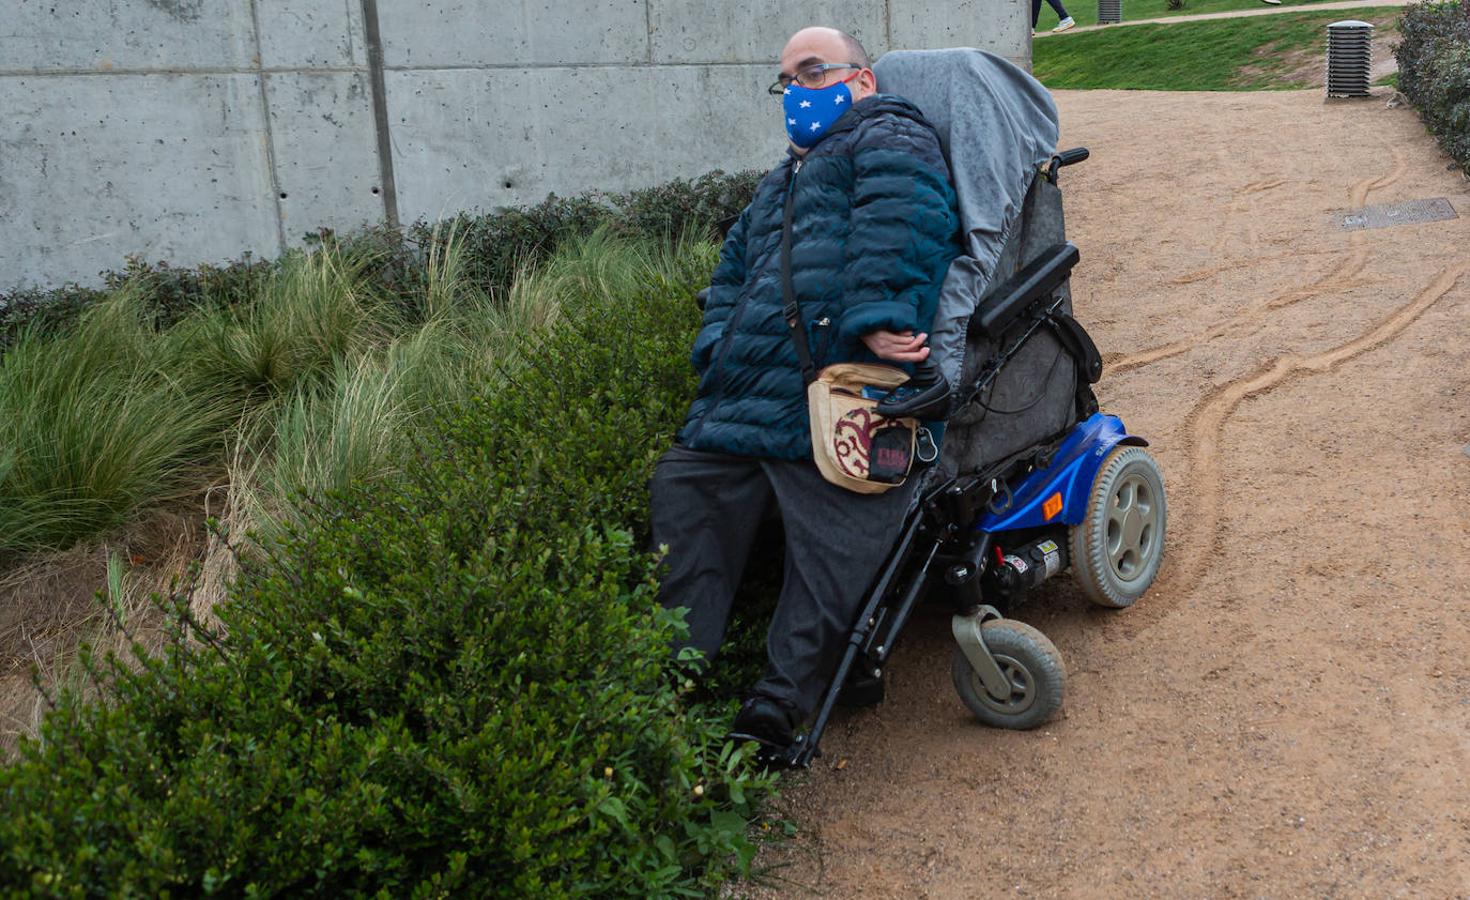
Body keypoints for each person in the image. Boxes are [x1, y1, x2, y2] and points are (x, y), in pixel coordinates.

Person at [649, 26, 961, 748]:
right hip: (747, 389)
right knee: (685, 491)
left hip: (842, 387)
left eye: (812, 71)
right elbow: (728, 276)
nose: (796, 90)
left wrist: (882, 317)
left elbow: (905, 216)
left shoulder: (888, 135)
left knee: (836, 535)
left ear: (861, 80)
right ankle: (667, 678)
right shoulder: (780, 179)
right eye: (786, 79)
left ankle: (780, 703)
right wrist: (716, 344)